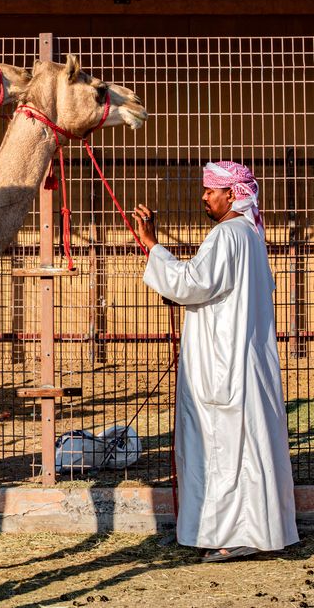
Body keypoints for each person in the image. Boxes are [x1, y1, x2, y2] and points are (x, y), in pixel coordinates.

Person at [131, 161, 298, 562]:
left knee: (224, 449)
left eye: (211, 190)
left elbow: (191, 285)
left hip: (223, 366)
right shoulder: (250, 237)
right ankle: (243, 532)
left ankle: (232, 535)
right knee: (242, 448)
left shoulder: (227, 236)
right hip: (242, 362)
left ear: (232, 194)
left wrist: (153, 245)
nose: (204, 196)